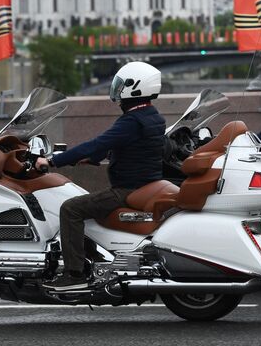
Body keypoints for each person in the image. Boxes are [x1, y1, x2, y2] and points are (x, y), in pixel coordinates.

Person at [35, 61, 166, 291]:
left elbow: (99, 142)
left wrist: (52, 160)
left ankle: (74, 273)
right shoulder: (151, 115)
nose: (116, 91)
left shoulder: (132, 121)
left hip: (127, 190)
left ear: (135, 88)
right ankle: (91, 258)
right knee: (84, 205)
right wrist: (92, 158)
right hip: (145, 184)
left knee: (71, 209)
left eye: (121, 85)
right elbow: (123, 146)